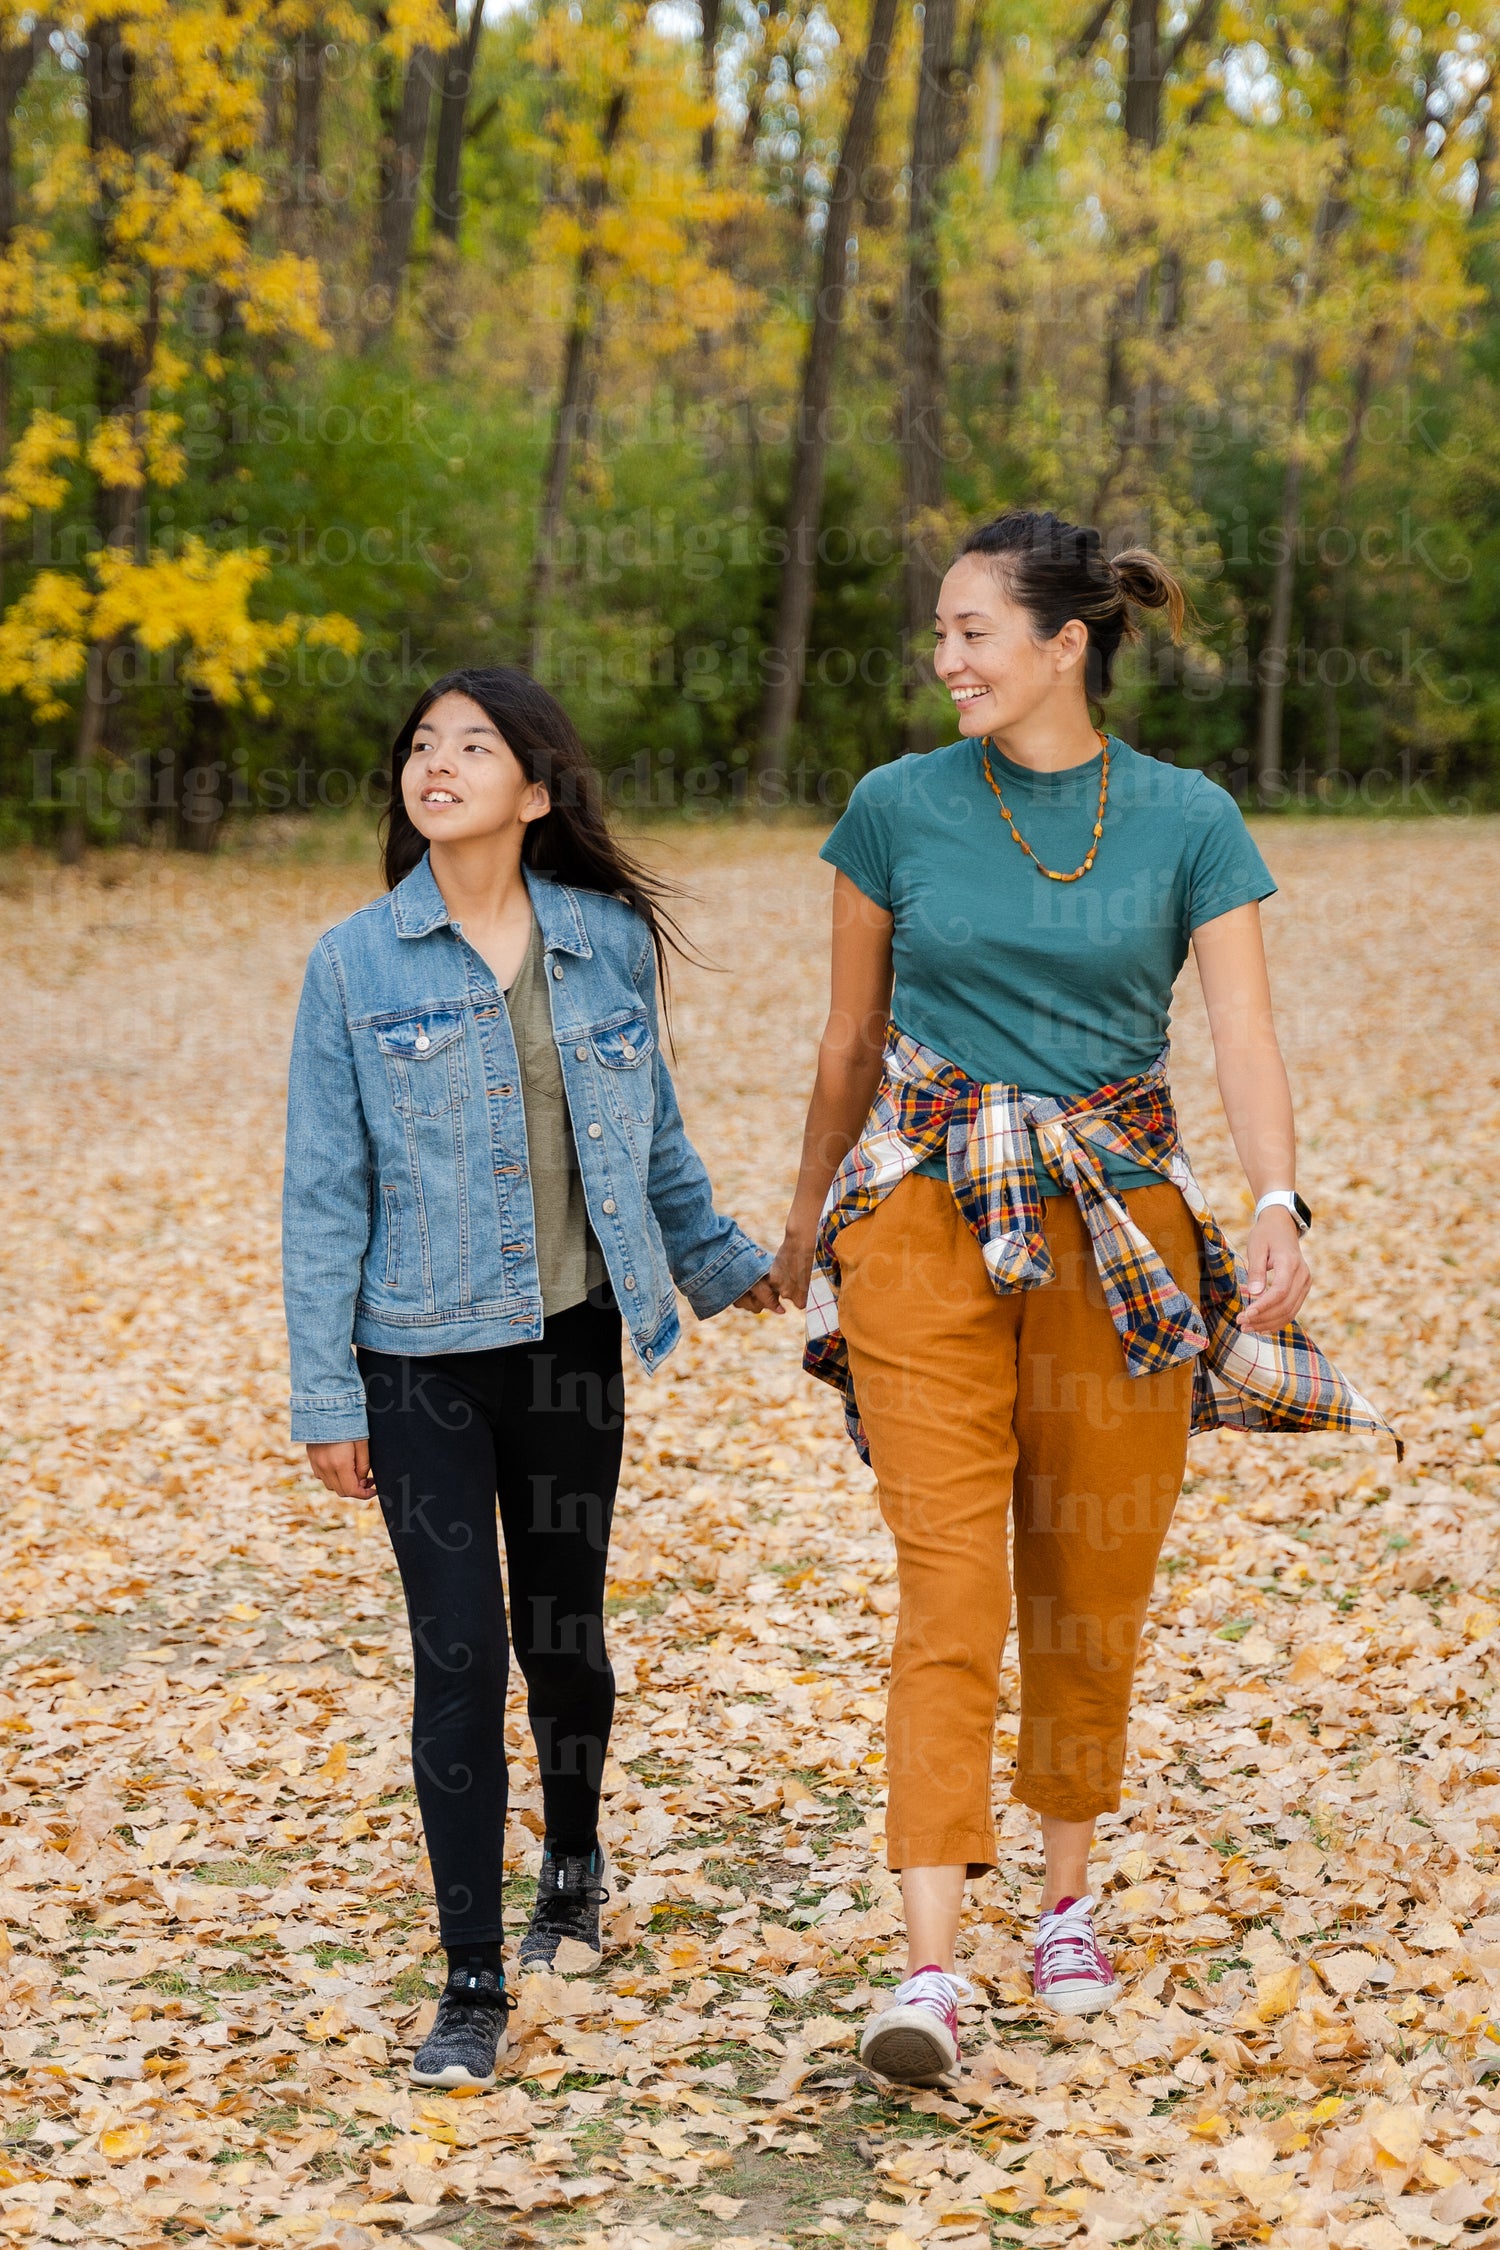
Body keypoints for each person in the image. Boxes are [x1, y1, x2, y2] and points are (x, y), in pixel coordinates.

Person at [771, 509, 1396, 2087]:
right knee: (949, 1583)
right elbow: (849, 1043)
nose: (944, 659)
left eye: (973, 631)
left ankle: (1064, 1901)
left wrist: (1271, 1197)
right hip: (920, 1221)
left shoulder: (1188, 817)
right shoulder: (894, 807)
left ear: (1066, 645)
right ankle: (927, 1965)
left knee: (1086, 1584)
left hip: (1119, 1234)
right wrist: (802, 1221)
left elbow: (1244, 1032)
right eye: (938, 632)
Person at [282, 666, 779, 2090]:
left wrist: (735, 1262)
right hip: (416, 1359)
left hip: (570, 1343)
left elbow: (655, 1137)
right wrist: (328, 1394)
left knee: (561, 1632)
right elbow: (323, 1192)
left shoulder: (603, 943)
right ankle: (470, 1978)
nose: (437, 763)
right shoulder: (354, 964)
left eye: (474, 745)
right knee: (457, 1655)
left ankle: (572, 1854)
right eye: (422, 745)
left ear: (538, 789)